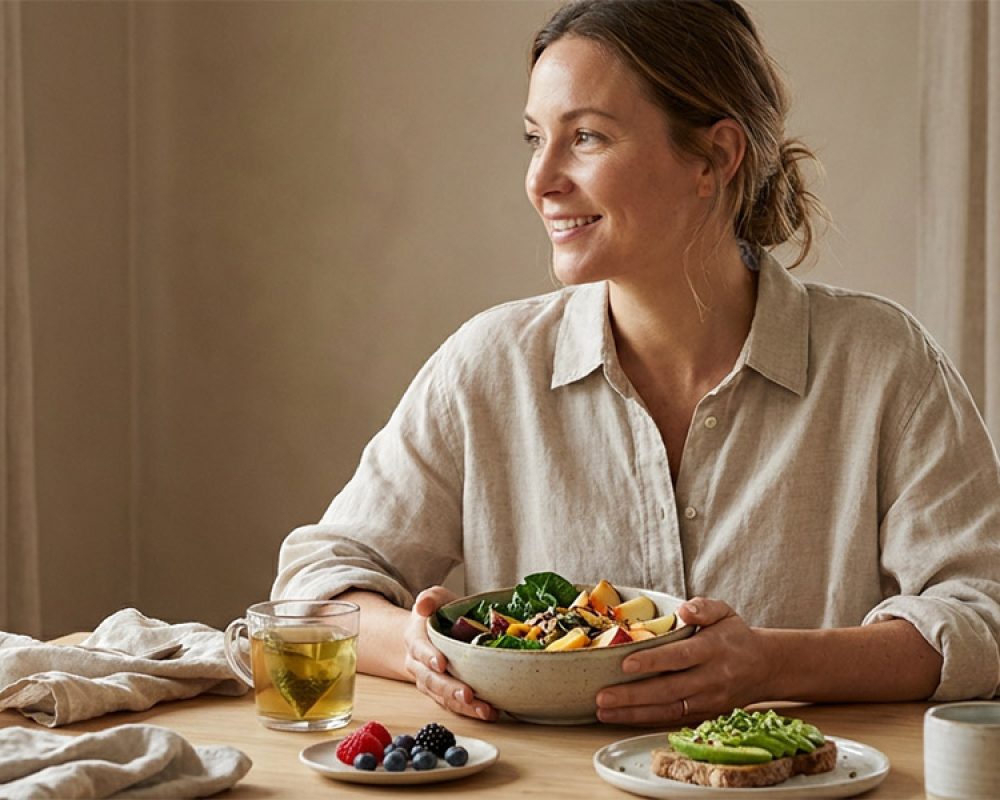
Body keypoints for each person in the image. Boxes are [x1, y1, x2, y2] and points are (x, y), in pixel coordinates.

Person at [272, 0, 1000, 725]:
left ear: (714, 157)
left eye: (585, 136)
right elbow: (317, 586)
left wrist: (768, 664)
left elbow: (984, 618)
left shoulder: (883, 364)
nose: (541, 179)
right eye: (535, 139)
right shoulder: (487, 367)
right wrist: (428, 651)